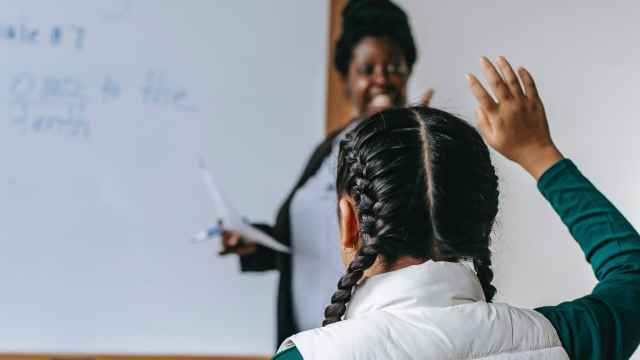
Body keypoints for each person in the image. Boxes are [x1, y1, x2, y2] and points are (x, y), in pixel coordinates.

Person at [271, 57, 640, 359]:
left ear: (350, 222)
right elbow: (632, 272)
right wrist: (539, 154)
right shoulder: (564, 339)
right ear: (484, 221)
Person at [218, 0, 432, 346]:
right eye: (367, 69)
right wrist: (253, 242)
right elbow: (309, 241)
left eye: (393, 67)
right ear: (347, 79)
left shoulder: (413, 149)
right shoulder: (331, 146)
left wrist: (415, 140)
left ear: (407, 72)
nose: (381, 78)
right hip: (308, 338)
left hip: (368, 342)